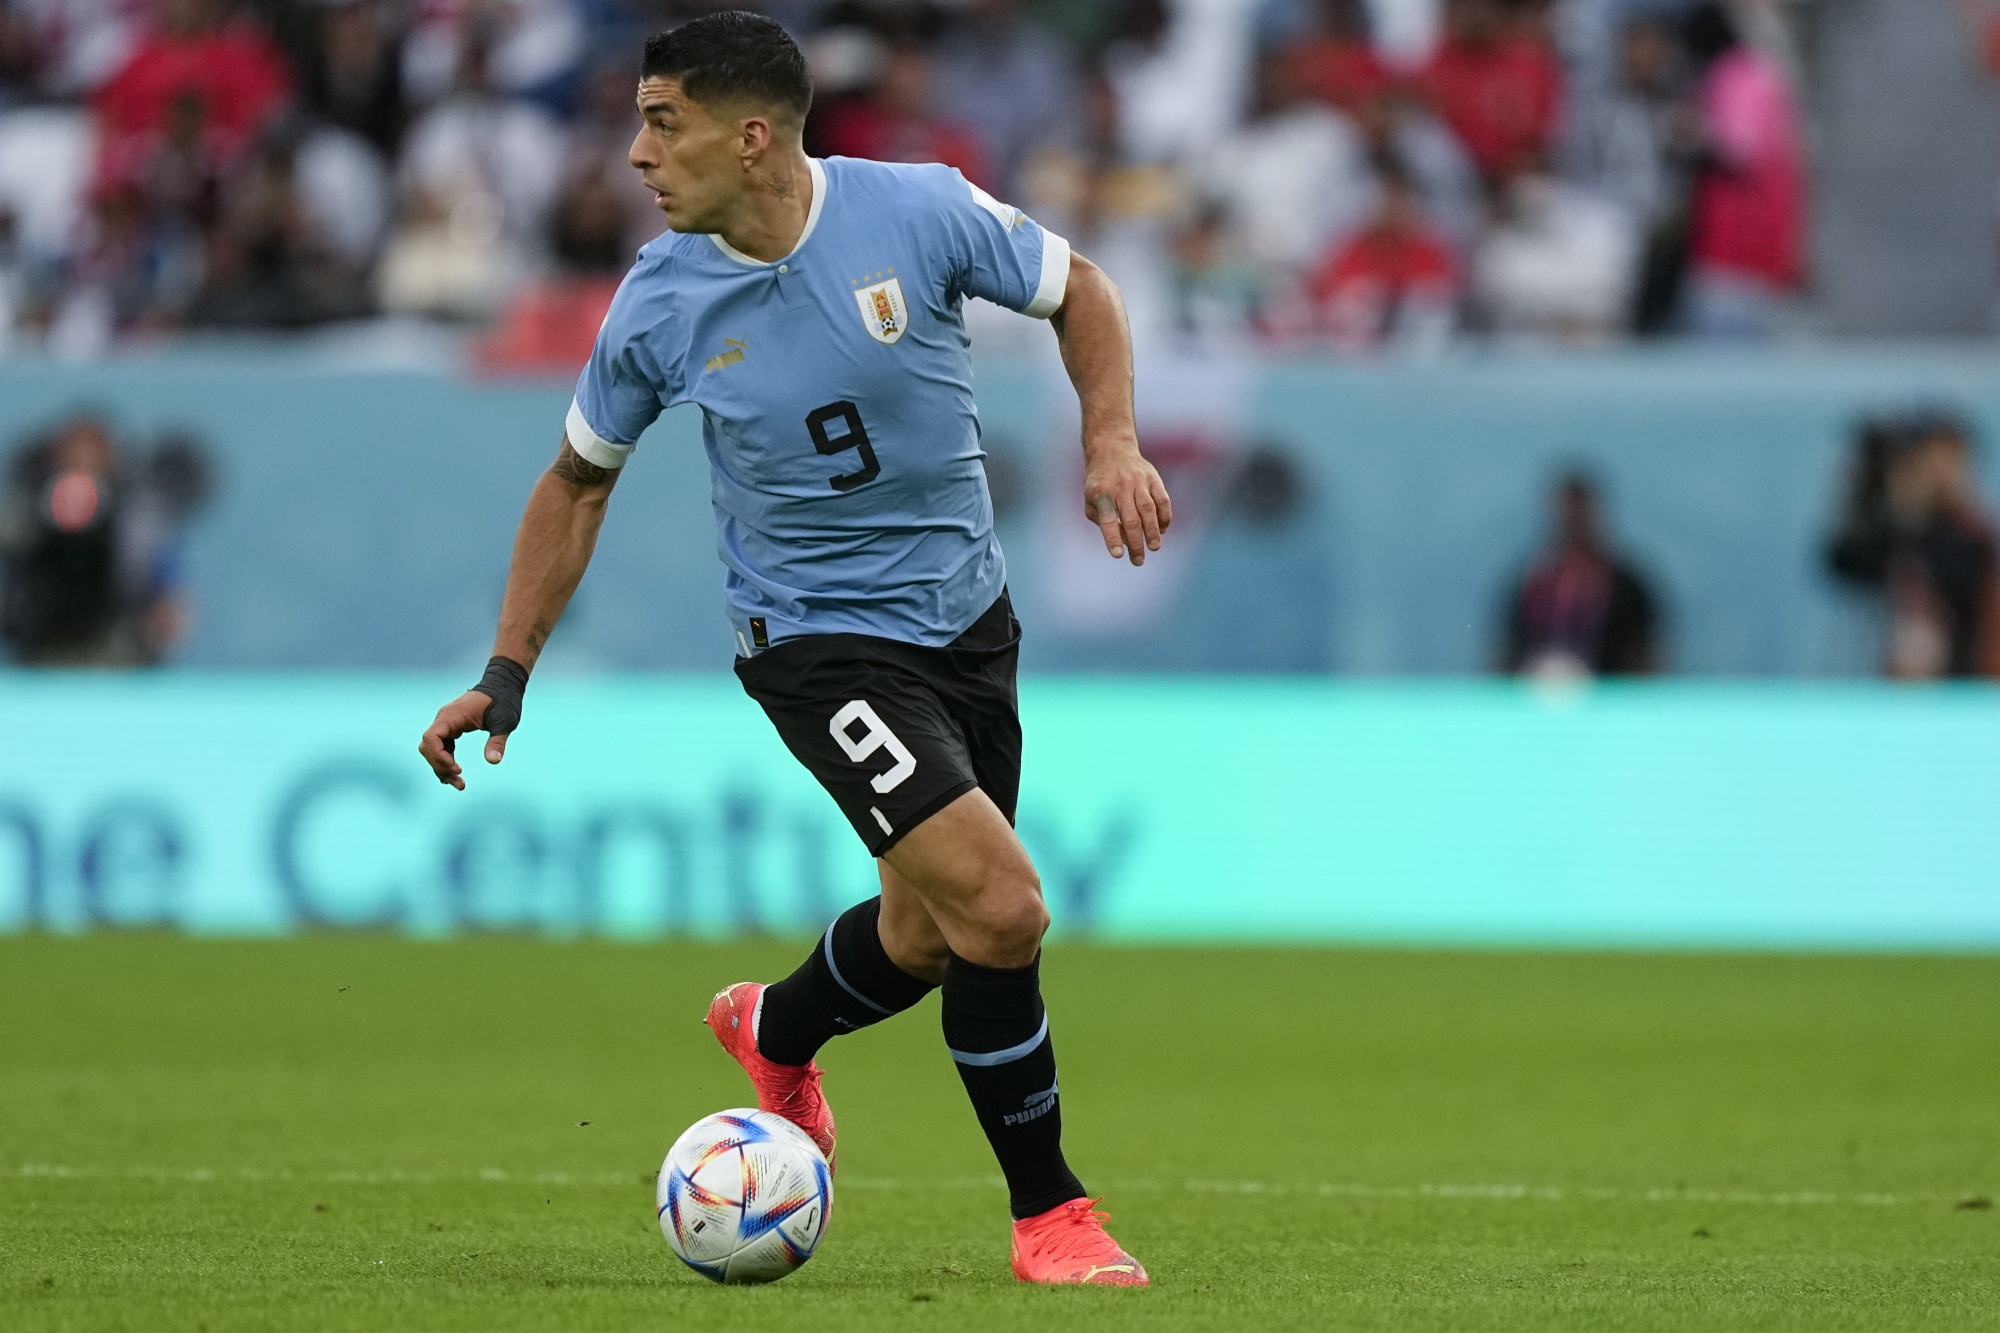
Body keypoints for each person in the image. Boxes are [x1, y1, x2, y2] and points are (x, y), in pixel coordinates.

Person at [416, 12, 1170, 1286]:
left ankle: (774, 1024)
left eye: (664, 122)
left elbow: (1079, 290)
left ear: (751, 136)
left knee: (930, 939)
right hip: (817, 645)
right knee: (1004, 907)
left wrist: (1108, 439)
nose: (639, 153)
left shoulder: (919, 212)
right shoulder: (658, 298)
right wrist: (505, 670)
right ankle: (1049, 1215)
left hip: (968, 626)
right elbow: (575, 483)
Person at [1501, 472, 1660, 676]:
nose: (1572, 527)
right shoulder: (1532, 584)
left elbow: (1644, 656)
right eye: (1566, 518)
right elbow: (1509, 650)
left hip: (1607, 697)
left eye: (1578, 518)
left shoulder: (1625, 589)